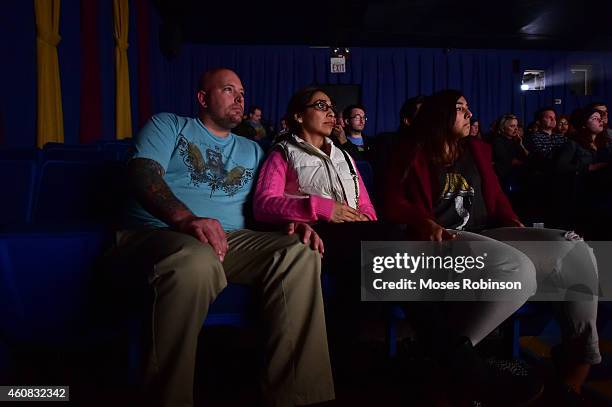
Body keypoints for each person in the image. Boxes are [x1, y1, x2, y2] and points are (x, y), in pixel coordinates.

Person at [109, 68, 334, 407]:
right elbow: (142, 174)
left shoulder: (254, 150)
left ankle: (297, 396)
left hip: (231, 240)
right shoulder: (169, 125)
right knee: (194, 261)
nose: (240, 98)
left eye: (242, 91)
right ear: (202, 98)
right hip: (160, 233)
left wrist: (289, 222)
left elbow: (265, 204)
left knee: (300, 252)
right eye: (228, 90)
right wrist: (185, 218)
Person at [385, 90, 600, 403]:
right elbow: (391, 202)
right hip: (438, 238)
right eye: (460, 109)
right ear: (439, 115)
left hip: (487, 233)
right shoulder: (408, 150)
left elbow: (497, 199)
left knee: (573, 248)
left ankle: (575, 370)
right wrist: (422, 221)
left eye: (468, 108)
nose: (469, 114)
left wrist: (516, 225)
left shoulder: (476, 149)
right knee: (518, 269)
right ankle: (453, 359)